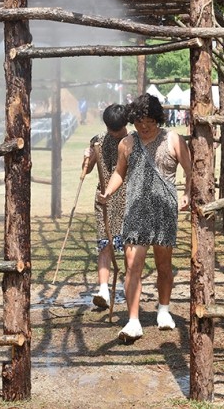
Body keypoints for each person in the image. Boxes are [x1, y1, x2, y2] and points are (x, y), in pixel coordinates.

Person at [99, 93, 192, 342]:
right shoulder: (127, 144)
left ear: (158, 119)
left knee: (163, 265)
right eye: (140, 121)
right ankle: (133, 321)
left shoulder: (173, 139)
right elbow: (120, 172)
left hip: (164, 211)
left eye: (150, 121)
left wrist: (188, 193)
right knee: (132, 265)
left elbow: (190, 169)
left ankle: (163, 310)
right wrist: (108, 191)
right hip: (136, 211)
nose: (144, 126)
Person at [83, 104, 130, 309]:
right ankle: (103, 290)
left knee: (131, 247)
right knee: (104, 245)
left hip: (129, 199)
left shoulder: (134, 141)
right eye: (111, 129)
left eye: (117, 130)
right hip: (104, 200)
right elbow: (87, 169)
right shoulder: (98, 141)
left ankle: (130, 288)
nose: (113, 134)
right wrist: (87, 157)